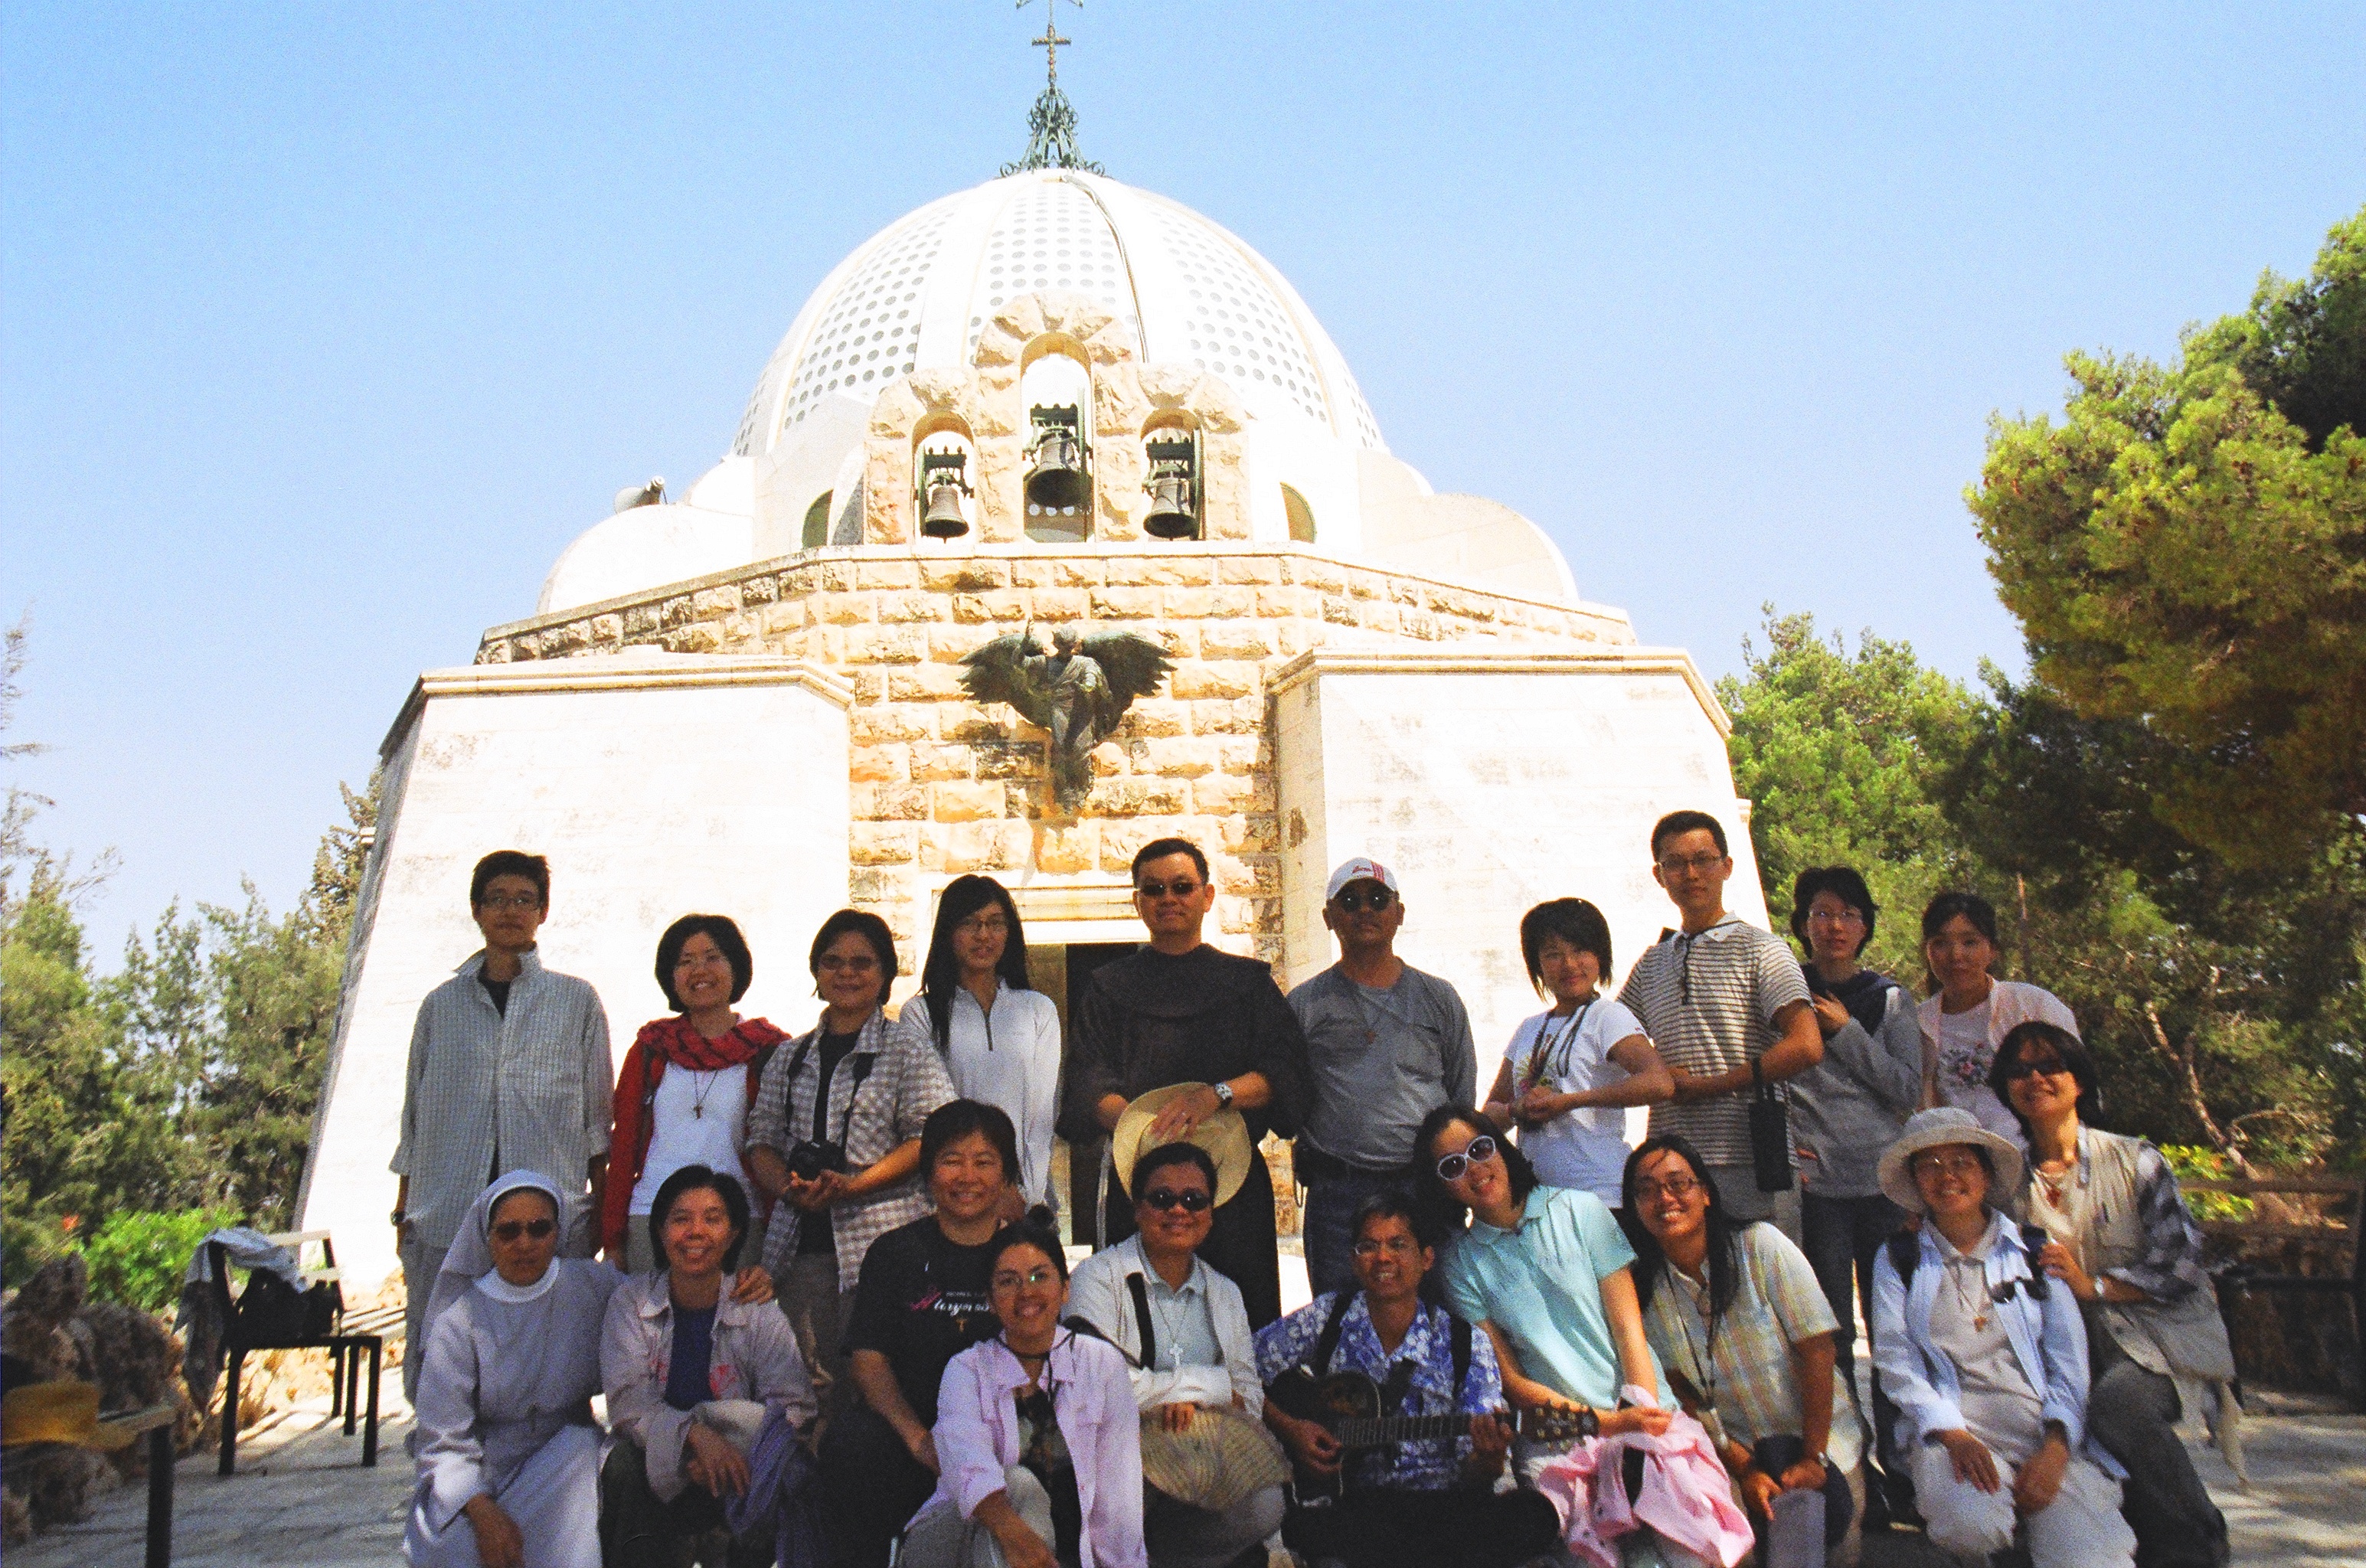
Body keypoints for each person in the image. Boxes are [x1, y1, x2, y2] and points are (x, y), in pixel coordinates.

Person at [1990, 1022, 2235, 1568]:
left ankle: (2195, 1542)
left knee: (2116, 1409)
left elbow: (2183, 1265)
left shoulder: (2136, 1160)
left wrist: (2093, 1285)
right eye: (2018, 1070)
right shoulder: (2007, 1184)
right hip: (2065, 1352)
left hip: (2158, 1346)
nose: (2035, 1078)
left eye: (2050, 1065)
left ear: (2078, 1079)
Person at [1061, 837, 1312, 1326]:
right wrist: (1149, 1128)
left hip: (1232, 1188)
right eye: (1153, 889)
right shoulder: (1107, 987)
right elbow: (1087, 1082)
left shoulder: (1248, 984)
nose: (1168, 899)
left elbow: (1284, 1074)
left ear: (1208, 896)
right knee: (1134, 1326)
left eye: (1181, 887)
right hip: (1140, 1184)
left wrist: (1213, 1096)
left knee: (1241, 1325)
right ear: (1138, 902)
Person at [1870, 1109, 2135, 1568]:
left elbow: (2069, 1359)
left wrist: (2056, 1448)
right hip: (1955, 1433)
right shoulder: (1899, 1259)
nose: (1946, 1177)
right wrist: (1953, 1434)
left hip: (2039, 1429)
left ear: (1986, 1174)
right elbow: (1897, 1361)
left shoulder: (2033, 1251)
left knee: (2093, 1560)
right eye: (1929, 1165)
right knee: (1972, 1525)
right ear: (1914, 1182)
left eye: (1961, 1162)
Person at [392, 851, 613, 1401]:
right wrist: (404, 1211)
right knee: (442, 1356)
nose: (510, 911)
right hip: (447, 1212)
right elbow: (415, 1119)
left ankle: (542, 1474)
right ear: (476, 910)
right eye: (497, 899)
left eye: (523, 900)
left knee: (548, 1362)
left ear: (542, 912)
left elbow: (596, 1123)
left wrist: (602, 1216)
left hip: (546, 1217)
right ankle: (449, 1480)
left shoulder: (576, 1001)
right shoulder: (440, 1007)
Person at [1253, 1191, 1563, 1568]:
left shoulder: (1465, 1343)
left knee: (1534, 1515)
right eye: (1369, 1246)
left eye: (1398, 1244)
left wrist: (1490, 1456)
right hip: (1353, 1503)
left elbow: (1476, 1474)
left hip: (1441, 1507)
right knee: (1310, 1526)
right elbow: (1242, 1370)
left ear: (1426, 1258)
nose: (1383, 1258)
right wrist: (1290, 1430)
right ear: (1354, 1260)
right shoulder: (1327, 1318)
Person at [747, 909, 958, 1416]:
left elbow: (931, 1134)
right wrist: (791, 1187)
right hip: (803, 1251)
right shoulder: (789, 1056)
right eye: (833, 961)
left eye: (862, 962)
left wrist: (856, 1184)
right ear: (817, 972)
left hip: (883, 1245)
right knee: (806, 1391)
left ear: (884, 974)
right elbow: (761, 1141)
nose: (847, 972)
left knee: (882, 1391)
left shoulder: (908, 1050)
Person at [1619, 1135, 1865, 1566]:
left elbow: (1819, 1351)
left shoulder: (1760, 1247)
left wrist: (1813, 1456)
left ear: (1707, 1194)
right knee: (1726, 1553)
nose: (1665, 1198)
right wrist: (1745, 1468)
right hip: (1732, 1456)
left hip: (1821, 1443)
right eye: (1647, 1190)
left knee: (1818, 1551)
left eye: (1679, 1183)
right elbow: (1684, 1394)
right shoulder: (1645, 1291)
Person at [1410, 1108, 1672, 1478]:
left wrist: (1640, 1414)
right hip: (1558, 1437)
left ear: (1500, 1147)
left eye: (1479, 1149)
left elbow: (1629, 1330)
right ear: (1441, 1187)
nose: (1474, 1168)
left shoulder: (1581, 1210)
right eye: (1452, 1166)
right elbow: (1513, 1382)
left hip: (1646, 1409)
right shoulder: (1459, 1265)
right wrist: (1606, 1424)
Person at [822, 1101, 1022, 1568]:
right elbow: (867, 1357)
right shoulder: (895, 1252)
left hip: (1003, 1433)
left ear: (1007, 1175)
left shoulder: (1026, 1252)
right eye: (952, 1160)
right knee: (849, 1442)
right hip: (913, 1435)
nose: (967, 1176)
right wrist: (917, 1439)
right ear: (929, 1173)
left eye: (984, 1162)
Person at [1067, 1142, 1286, 1568]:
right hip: (1117, 1457)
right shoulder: (1097, 1278)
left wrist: (1191, 1403)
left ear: (1210, 1211)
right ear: (1137, 1208)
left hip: (1199, 1458)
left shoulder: (1224, 1292)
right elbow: (1100, 1385)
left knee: (1266, 1505)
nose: (1179, 1210)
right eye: (1163, 1199)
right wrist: (1212, 1387)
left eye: (1194, 1200)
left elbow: (1252, 1401)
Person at [1782, 866, 1923, 1523]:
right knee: (1830, 1333)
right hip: (1819, 1186)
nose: (1832, 926)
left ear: (1864, 926)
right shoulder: (1785, 995)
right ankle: (1849, 1466)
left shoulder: (1888, 999)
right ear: (1802, 924)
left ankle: (1908, 1466)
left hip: (1884, 1183)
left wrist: (1844, 1033)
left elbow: (1904, 1087)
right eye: (1819, 913)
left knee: (1896, 1330)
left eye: (1846, 914)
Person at [1616, 811, 1822, 1237]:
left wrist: (1715, 1084)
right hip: (1673, 1168)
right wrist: (1656, 1069)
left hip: (1752, 1156)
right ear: (1659, 875)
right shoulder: (1652, 963)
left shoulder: (1763, 949)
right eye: (1675, 863)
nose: (1690, 873)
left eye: (1703, 859)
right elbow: (1614, 1042)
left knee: (1768, 1288)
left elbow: (1806, 1044)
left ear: (1727, 866)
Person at [600, 1165, 818, 1568]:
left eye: (713, 1219)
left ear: (734, 1233)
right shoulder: (630, 1302)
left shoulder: (757, 1310)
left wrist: (730, 1449)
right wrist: (693, 1439)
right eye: (680, 1219)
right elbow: (628, 1405)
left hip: (738, 1470)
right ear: (661, 1232)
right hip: (658, 1462)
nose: (696, 1232)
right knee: (622, 1466)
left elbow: (793, 1406)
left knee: (788, 1465)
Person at [900, 1222, 1149, 1568]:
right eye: (1008, 1282)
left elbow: (1118, 1492)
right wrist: (1022, 1542)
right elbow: (967, 1465)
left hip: (1051, 1555)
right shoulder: (967, 1370)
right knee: (1018, 1485)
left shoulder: (1101, 1363)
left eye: (1039, 1277)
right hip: (951, 1547)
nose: (1026, 1293)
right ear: (989, 1301)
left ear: (1065, 1289)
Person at [1286, 858, 1482, 1295]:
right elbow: (1289, 1094)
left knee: (1440, 1315)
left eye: (1378, 899)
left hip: (1426, 1186)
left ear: (1399, 912)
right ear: (1328, 917)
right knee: (1341, 1321)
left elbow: (1460, 1095)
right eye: (1350, 901)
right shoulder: (1305, 1005)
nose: (1365, 911)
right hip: (1339, 1192)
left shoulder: (1438, 998)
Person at [404, 1172, 615, 1568]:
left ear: (558, 1232)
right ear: (487, 1238)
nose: (525, 1244)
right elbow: (442, 1440)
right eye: (509, 1232)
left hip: (566, 1459)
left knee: (581, 1463)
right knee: (458, 1551)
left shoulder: (591, 1286)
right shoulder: (460, 1319)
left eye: (539, 1229)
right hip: (483, 1470)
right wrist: (484, 1514)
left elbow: (657, 1301)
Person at [603, 915, 791, 1272]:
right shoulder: (652, 1049)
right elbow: (624, 1142)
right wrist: (613, 1237)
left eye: (713, 957)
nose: (699, 970)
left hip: (738, 1220)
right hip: (652, 1217)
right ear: (670, 976)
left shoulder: (769, 1051)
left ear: (736, 966)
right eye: (685, 961)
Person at [1482, 897, 1672, 1207]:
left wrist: (1570, 1102)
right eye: (1553, 955)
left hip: (1600, 1194)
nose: (1569, 965)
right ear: (1538, 964)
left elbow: (1659, 1083)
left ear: (1600, 956)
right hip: (1538, 1198)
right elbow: (1489, 1116)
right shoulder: (1529, 1028)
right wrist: (1517, 1110)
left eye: (1580, 950)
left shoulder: (1608, 1017)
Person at [900, 877, 1063, 1218]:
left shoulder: (1037, 1010)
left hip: (1022, 1198)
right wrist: (973, 1185)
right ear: (948, 932)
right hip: (951, 1196)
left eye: (995, 923)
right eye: (969, 924)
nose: (983, 935)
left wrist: (1026, 1194)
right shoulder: (920, 1014)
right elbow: (933, 1112)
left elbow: (1041, 1114)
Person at [1918, 891, 2078, 1143]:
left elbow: (2079, 1082)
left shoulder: (2032, 1005)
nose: (1955, 954)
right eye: (1940, 943)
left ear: (1992, 950)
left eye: (1969, 942)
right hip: (1965, 1166)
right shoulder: (1919, 1023)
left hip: (2037, 1154)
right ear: (1927, 951)